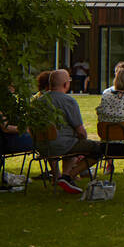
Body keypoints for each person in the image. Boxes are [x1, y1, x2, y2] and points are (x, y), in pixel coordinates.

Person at [45, 67, 104, 195]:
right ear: (66, 84)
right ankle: (67, 177)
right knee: (100, 148)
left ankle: (58, 176)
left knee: (71, 142)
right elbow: (80, 130)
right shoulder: (68, 101)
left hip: (42, 145)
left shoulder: (39, 101)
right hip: (62, 145)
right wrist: (83, 139)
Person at [0, 85, 35, 188]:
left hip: (9, 140)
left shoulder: (7, 106)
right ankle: (58, 175)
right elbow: (5, 128)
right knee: (41, 140)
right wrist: (26, 129)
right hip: (8, 142)